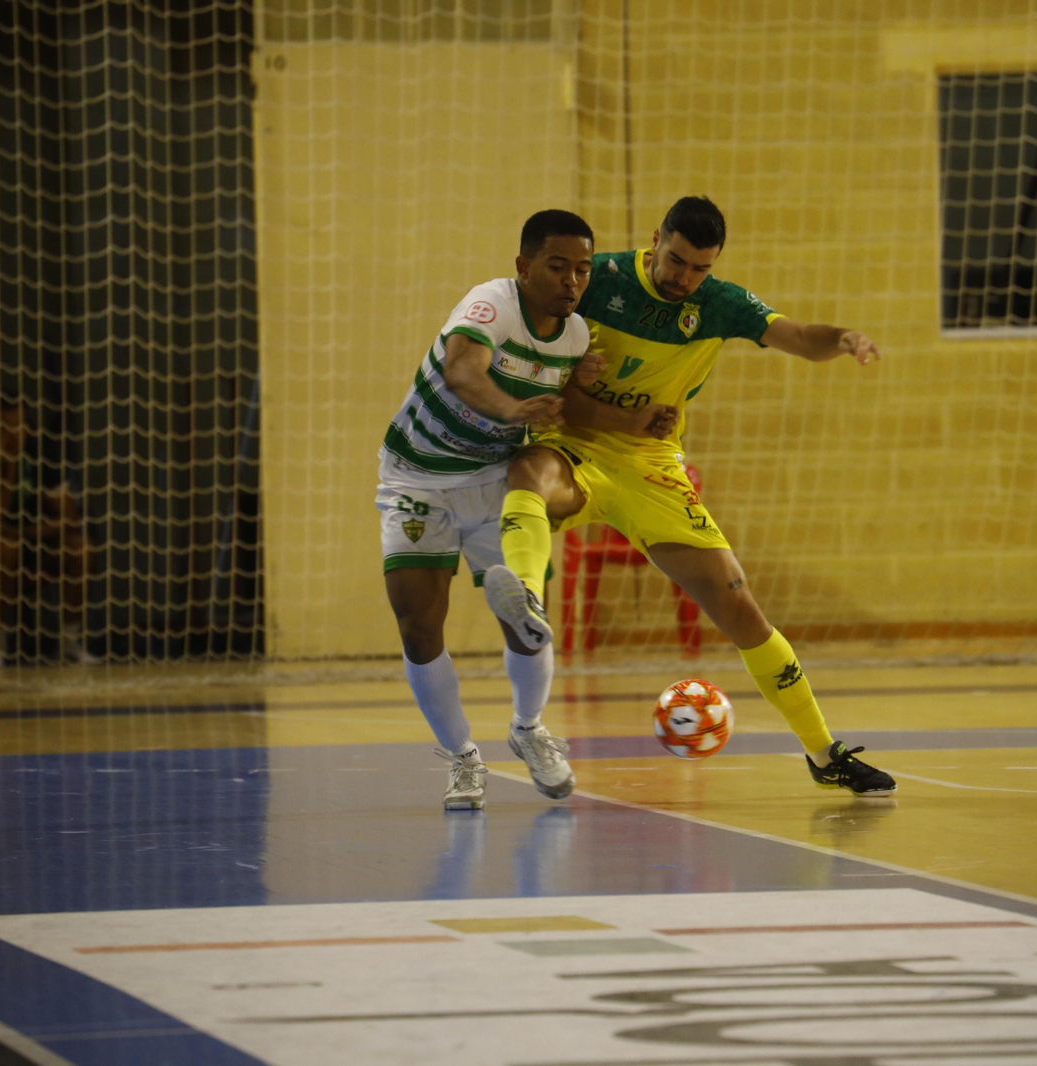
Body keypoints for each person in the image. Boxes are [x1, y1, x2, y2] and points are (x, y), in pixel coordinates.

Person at [482, 196, 897, 797]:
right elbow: (534, 348)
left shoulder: (719, 304)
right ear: (656, 239)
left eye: (699, 268)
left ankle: (823, 753)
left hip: (650, 465)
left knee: (739, 606)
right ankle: (524, 596)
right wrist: (573, 374)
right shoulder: (597, 279)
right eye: (675, 261)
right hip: (572, 443)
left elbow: (801, 337)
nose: (684, 278)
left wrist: (844, 338)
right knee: (530, 472)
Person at [379, 209, 601, 811]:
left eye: (582, 270)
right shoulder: (490, 304)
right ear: (524, 267)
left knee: (523, 615)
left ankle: (529, 728)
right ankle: (462, 759)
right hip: (417, 476)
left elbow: (577, 409)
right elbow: (460, 372)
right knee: (419, 626)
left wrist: (627, 414)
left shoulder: (577, 337)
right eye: (558, 266)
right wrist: (510, 409)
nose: (571, 281)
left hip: (493, 480)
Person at [0, 394, 97, 666]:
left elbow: (68, 518)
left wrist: (23, 534)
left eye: (20, 425)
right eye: (5, 427)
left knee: (80, 548)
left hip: (34, 542)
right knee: (5, 547)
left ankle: (69, 642)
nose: (15, 435)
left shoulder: (43, 454)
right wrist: (10, 467)